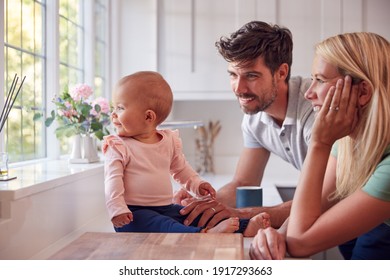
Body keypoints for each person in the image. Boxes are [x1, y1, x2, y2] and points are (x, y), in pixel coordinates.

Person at [250, 32, 390, 260]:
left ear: (362, 92)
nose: (308, 93)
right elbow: (312, 212)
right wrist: (275, 235)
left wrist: (319, 142)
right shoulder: (348, 142)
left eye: (321, 80)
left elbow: (300, 241)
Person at [175, 21, 315, 229]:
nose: (239, 88)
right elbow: (243, 183)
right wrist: (203, 204)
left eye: (251, 75)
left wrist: (244, 214)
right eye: (233, 74)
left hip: (371, 209)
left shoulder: (314, 107)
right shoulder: (255, 117)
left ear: (281, 73)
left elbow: (325, 198)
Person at [103, 71, 270, 235]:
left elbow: (181, 170)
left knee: (191, 213)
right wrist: (117, 209)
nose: (113, 114)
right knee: (163, 224)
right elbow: (113, 181)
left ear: (148, 117)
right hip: (132, 214)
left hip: (165, 208)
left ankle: (245, 226)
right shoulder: (117, 146)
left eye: (120, 108)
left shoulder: (168, 140)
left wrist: (197, 185)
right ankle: (203, 234)